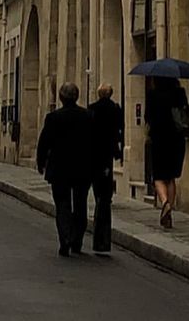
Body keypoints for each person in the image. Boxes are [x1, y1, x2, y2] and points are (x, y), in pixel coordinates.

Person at [36, 82, 93, 257]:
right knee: (81, 205)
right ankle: (77, 241)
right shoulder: (87, 116)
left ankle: (65, 238)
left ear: (60, 98)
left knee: (62, 205)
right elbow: (94, 143)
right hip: (82, 168)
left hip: (59, 168)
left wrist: (40, 162)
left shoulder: (53, 118)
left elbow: (44, 142)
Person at [144, 76, 189, 229]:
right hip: (176, 140)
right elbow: (186, 115)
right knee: (171, 177)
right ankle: (169, 211)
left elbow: (147, 117)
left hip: (158, 139)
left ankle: (164, 203)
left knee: (158, 176)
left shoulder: (152, 95)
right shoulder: (179, 93)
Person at [88, 83, 123, 254]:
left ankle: (99, 239)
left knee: (98, 196)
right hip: (107, 157)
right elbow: (119, 131)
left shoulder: (92, 109)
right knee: (105, 199)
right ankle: (104, 240)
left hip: (94, 157)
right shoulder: (115, 109)